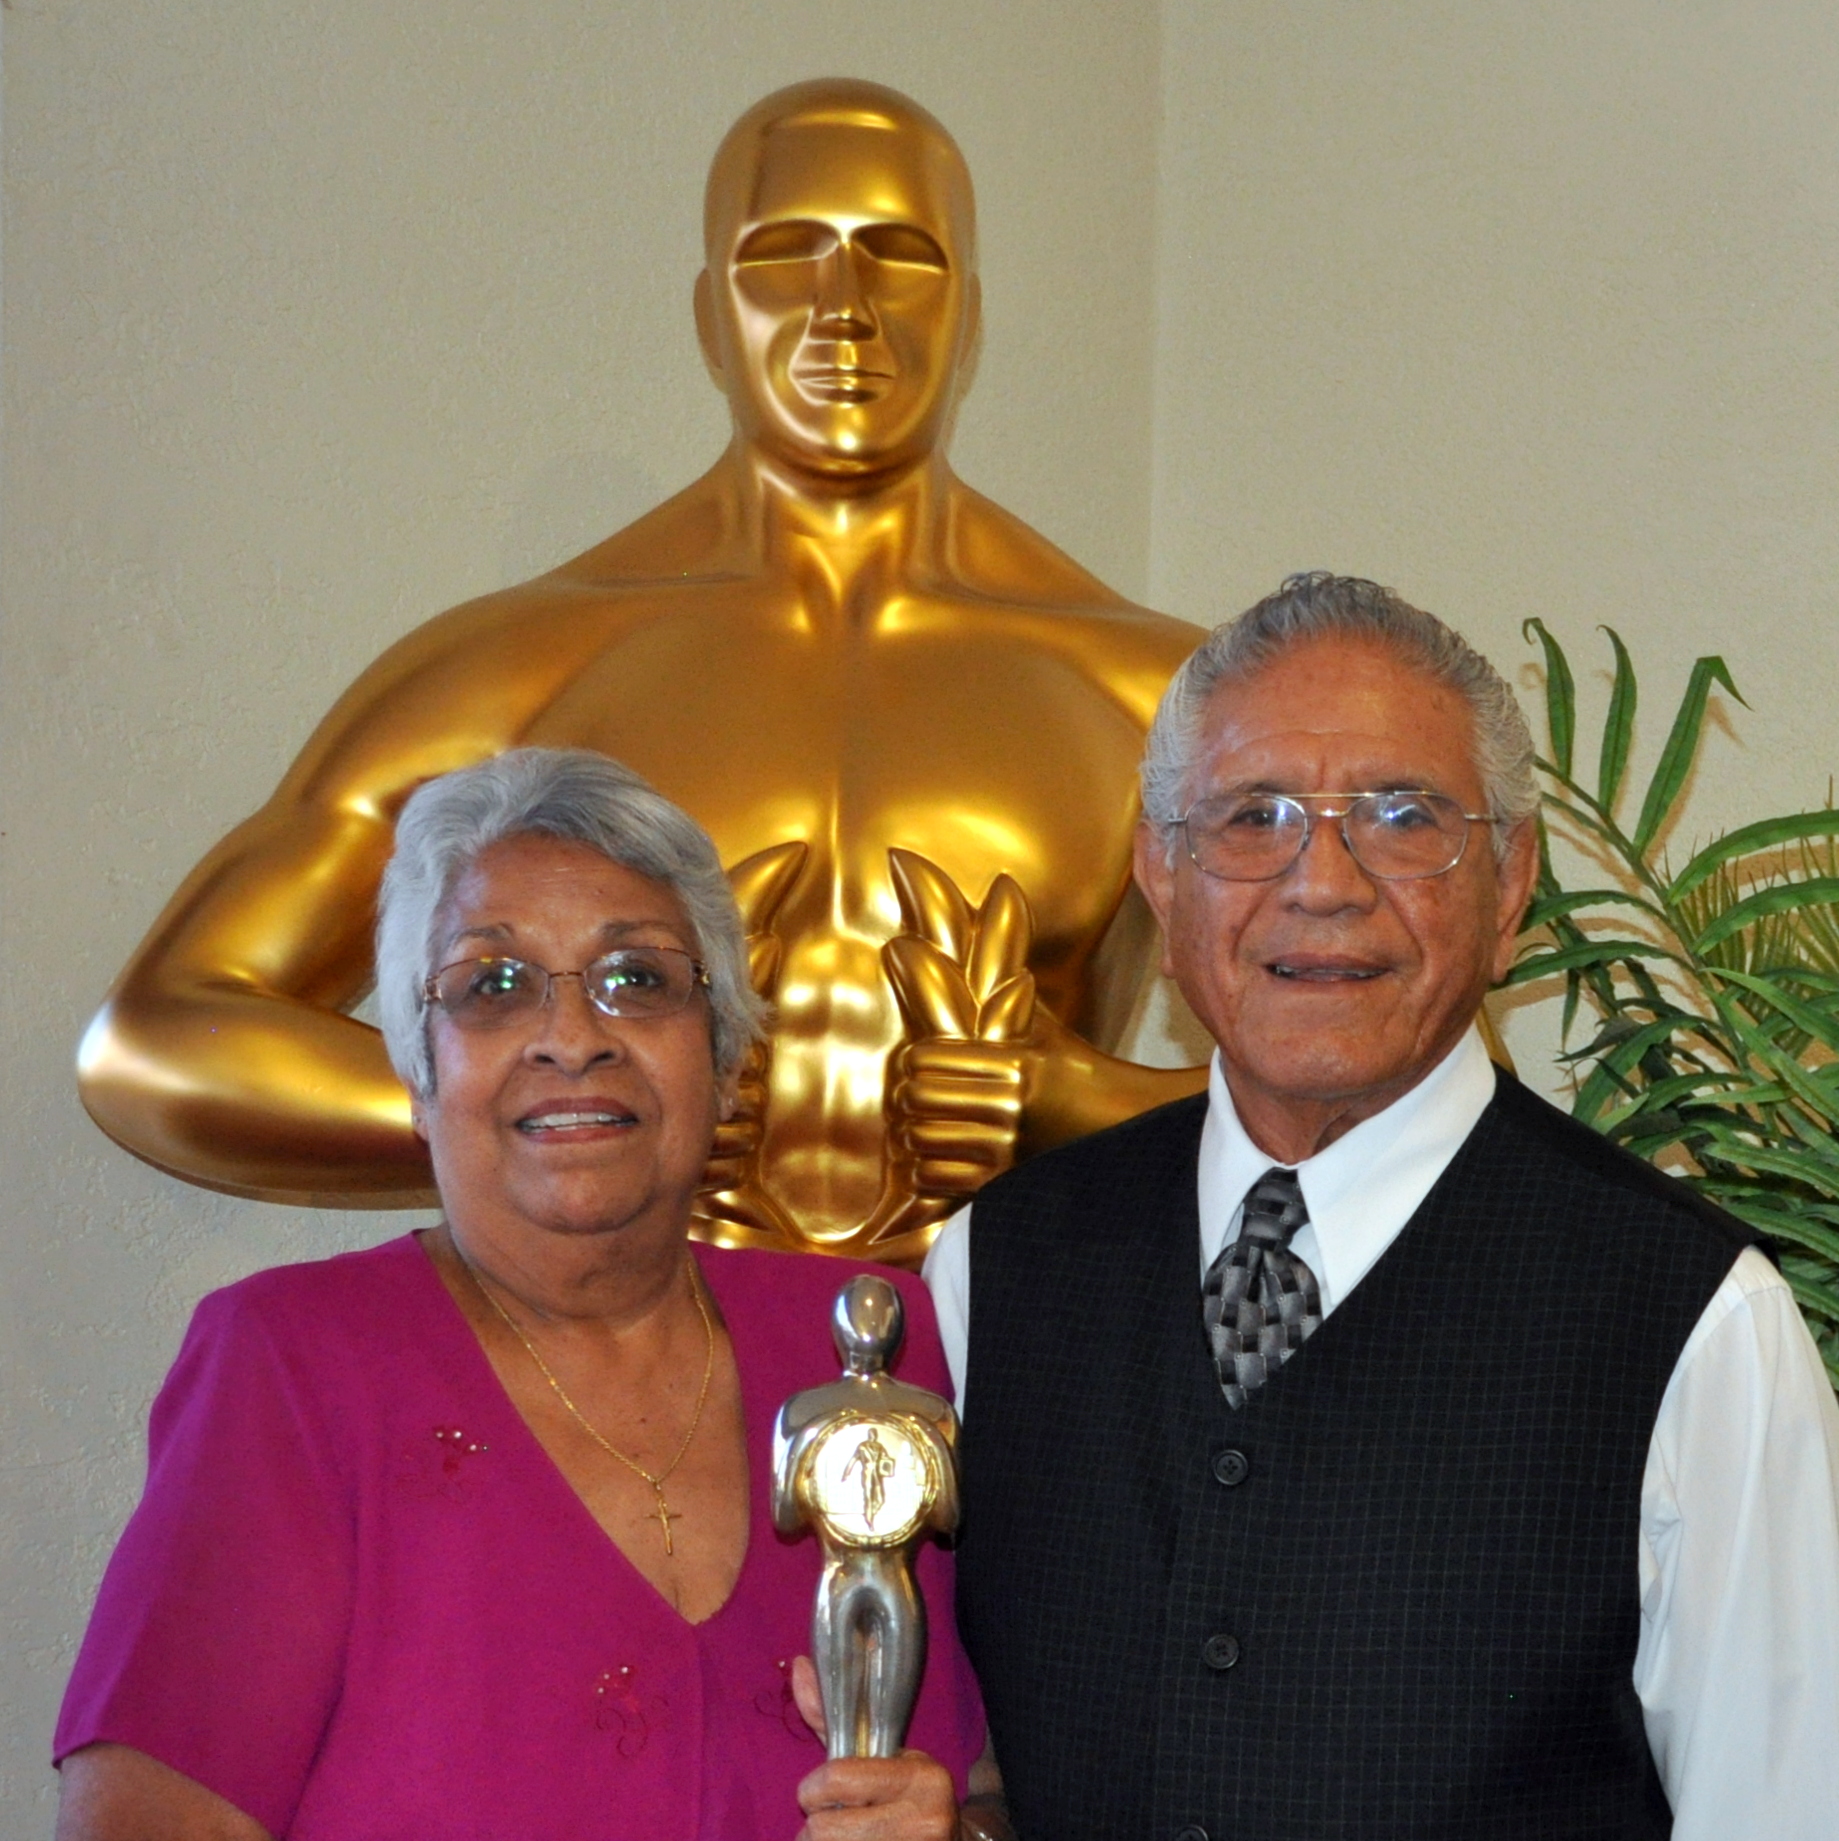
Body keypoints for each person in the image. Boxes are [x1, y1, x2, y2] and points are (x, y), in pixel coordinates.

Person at [925, 574, 1839, 1841]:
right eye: (1250, 816)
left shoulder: (1688, 1323)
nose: (1320, 879)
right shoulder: (990, 1272)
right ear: (1157, 875)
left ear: (1508, 886)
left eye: (1403, 816)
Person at [45, 749, 1017, 1841]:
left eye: (638, 978)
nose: (573, 1033)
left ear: (724, 1050)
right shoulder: (295, 1368)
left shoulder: (872, 1350)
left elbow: (990, 1821)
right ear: (417, 1063)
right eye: (493, 984)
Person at [76, 77, 1205, 1263]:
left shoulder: (1156, 694)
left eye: (900, 258)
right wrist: (568, 1110)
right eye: (784, 257)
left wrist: (1073, 1108)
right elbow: (158, 1038)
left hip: (1012, 1356)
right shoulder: (523, 671)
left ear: (966, 315)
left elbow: (1344, 1084)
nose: (844, 310)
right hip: (621, 1355)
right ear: (712, 317)